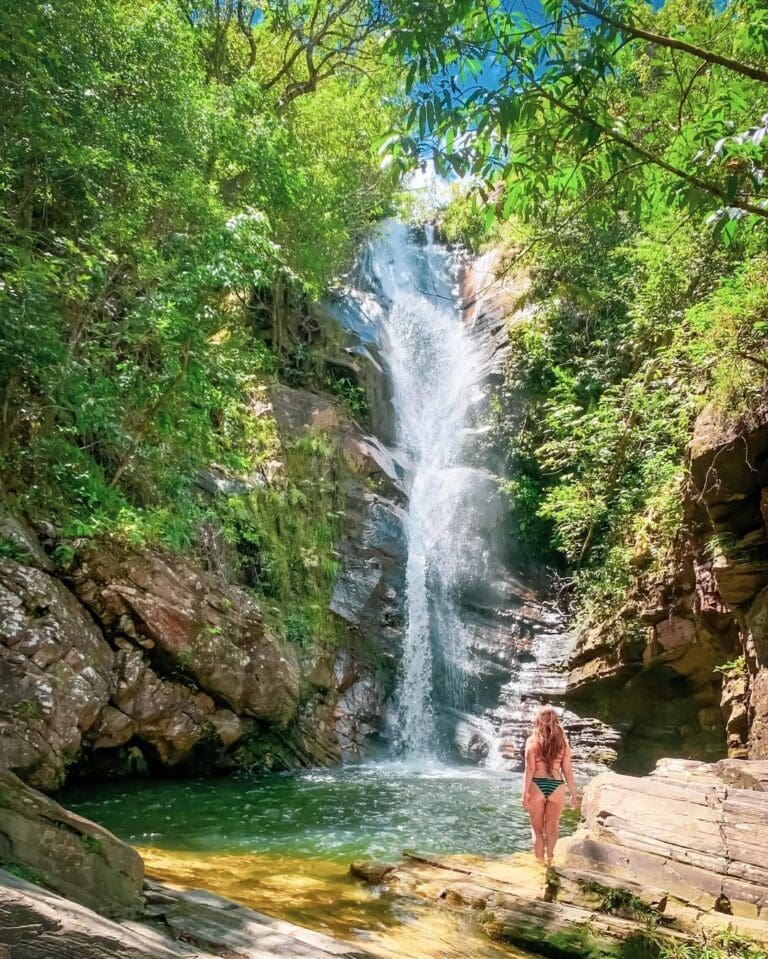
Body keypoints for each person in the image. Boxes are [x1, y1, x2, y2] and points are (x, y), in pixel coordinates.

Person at [521, 706, 577, 865]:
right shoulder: (563, 743)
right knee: (552, 830)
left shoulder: (532, 741)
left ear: (538, 720)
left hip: (537, 785)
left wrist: (524, 792)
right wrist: (573, 793)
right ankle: (551, 865)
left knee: (537, 830)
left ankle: (539, 865)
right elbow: (567, 769)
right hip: (556, 785)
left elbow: (530, 769)